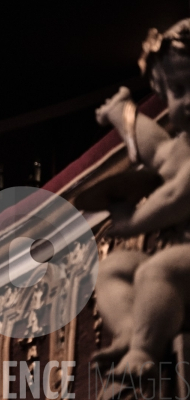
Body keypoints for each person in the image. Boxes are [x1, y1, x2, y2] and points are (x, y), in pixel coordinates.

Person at [91, 18, 190, 378]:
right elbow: (158, 151)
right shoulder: (182, 147)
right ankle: (133, 330)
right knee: (112, 269)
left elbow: (179, 196)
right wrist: (123, 112)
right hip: (184, 260)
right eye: (178, 90)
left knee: (157, 270)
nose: (188, 99)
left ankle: (144, 352)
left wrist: (131, 223)